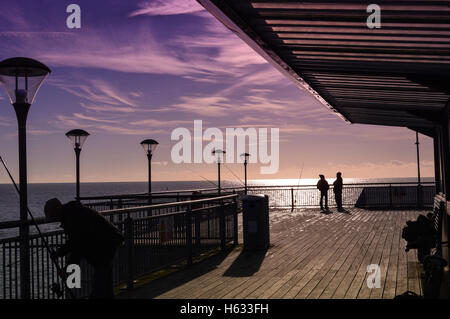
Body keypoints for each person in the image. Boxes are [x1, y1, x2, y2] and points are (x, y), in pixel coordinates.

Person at [44, 198, 124, 299]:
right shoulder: (72, 213)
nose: (54, 219)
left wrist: (67, 268)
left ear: (57, 211)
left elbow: (79, 245)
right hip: (108, 242)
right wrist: (60, 252)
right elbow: (74, 241)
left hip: (105, 245)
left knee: (99, 284)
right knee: (105, 284)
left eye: (52, 216)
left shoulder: (73, 217)